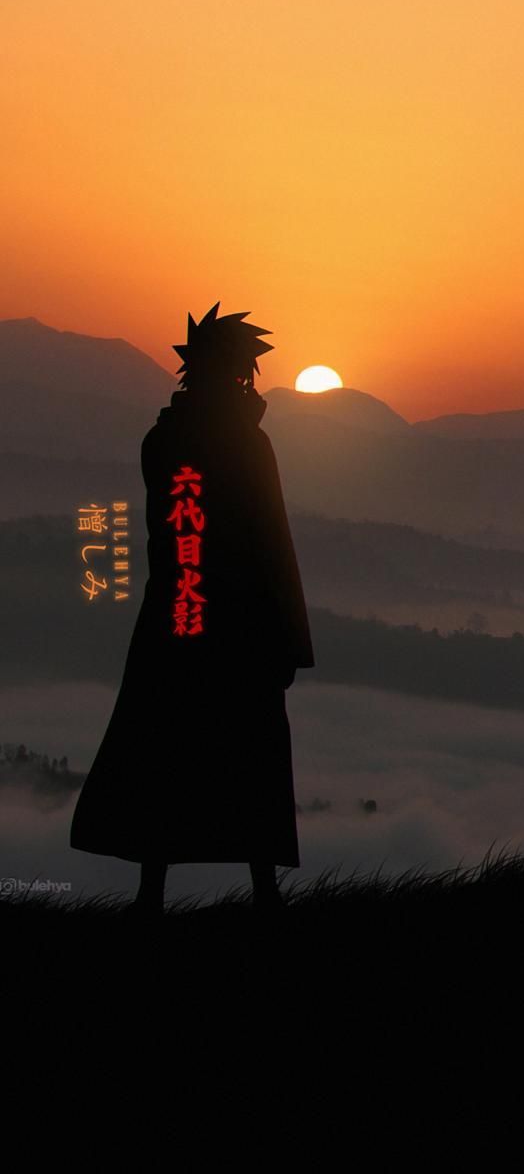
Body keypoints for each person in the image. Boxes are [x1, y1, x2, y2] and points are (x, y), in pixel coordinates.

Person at [70, 301, 315, 915]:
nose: (244, 382)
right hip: (236, 624)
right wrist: (287, 637)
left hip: (179, 617)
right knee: (239, 753)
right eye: (239, 372)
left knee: (167, 749)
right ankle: (261, 893)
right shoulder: (243, 444)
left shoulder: (165, 437)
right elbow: (270, 542)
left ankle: (155, 895)